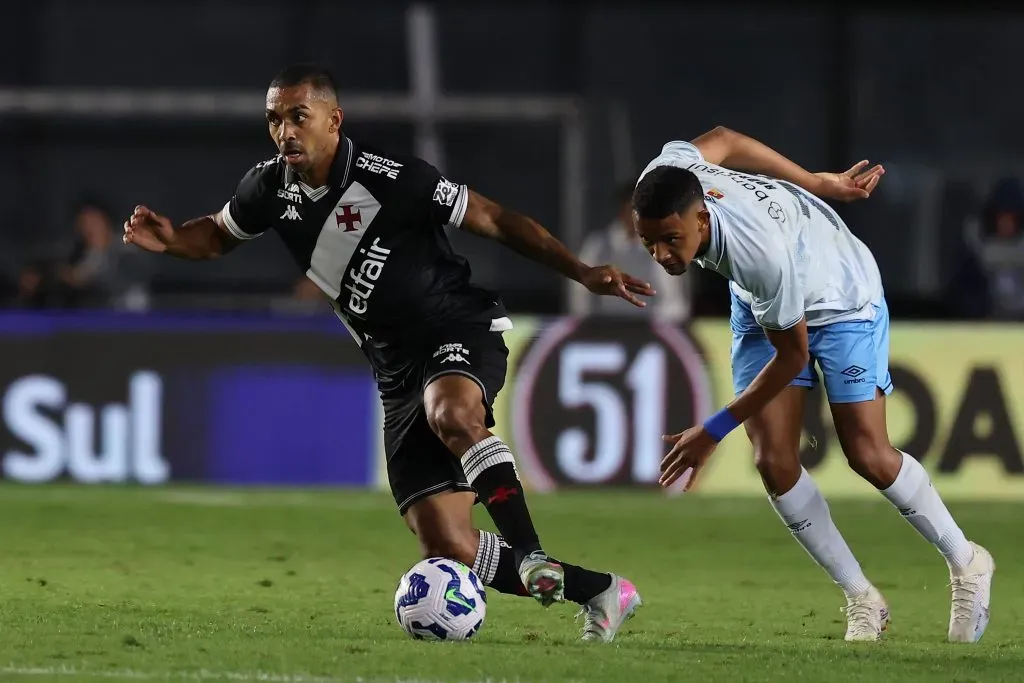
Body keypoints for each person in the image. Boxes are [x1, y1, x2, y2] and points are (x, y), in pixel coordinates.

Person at [123, 63, 650, 642]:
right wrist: (172, 240)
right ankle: (601, 591)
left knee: (452, 413)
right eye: (274, 119)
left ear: (333, 119)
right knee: (449, 546)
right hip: (395, 371)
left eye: (299, 116)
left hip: (457, 326)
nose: (284, 132)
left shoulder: (393, 179)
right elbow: (219, 235)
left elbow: (494, 219)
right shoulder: (269, 188)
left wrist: (581, 271)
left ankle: (529, 551)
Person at [632, 127, 994, 643]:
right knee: (772, 459)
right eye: (649, 242)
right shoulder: (663, 175)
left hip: (838, 290)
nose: (663, 254)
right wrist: (814, 181)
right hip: (764, 299)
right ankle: (862, 598)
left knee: (867, 452)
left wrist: (712, 429)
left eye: (672, 239)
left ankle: (968, 561)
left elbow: (792, 356)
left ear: (701, 218)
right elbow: (724, 139)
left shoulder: (757, 254)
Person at [569, 182, 692, 322]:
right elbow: (580, 295)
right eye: (632, 210)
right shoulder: (598, 245)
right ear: (622, 211)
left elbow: (674, 302)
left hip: (650, 333)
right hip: (604, 330)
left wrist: (658, 330)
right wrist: (588, 326)